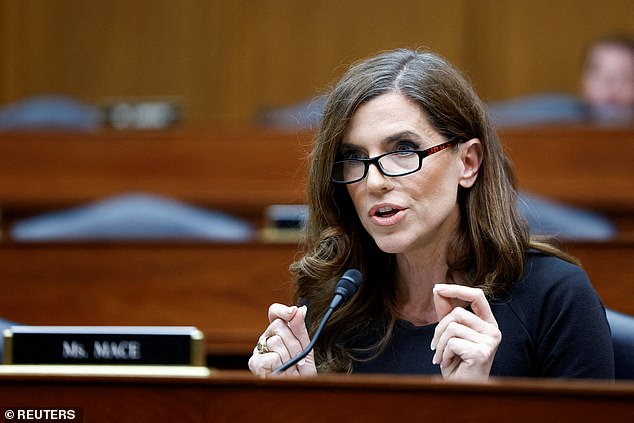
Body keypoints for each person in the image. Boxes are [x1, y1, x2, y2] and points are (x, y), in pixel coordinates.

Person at [248, 48, 614, 381]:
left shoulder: (555, 296)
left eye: (404, 149)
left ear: (467, 163)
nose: (374, 181)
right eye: (355, 157)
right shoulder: (334, 300)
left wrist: (474, 405)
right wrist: (293, 406)